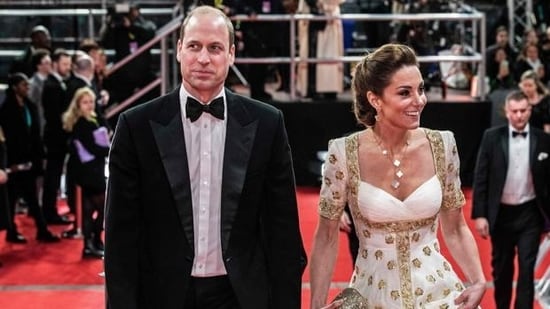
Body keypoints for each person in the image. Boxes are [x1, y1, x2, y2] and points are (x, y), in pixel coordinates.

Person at [104, 5, 306, 308]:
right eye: (195, 46)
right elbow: (120, 236)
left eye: (215, 48)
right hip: (161, 295)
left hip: (241, 295)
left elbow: (283, 229)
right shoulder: (136, 126)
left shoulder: (267, 123)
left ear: (232, 54)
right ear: (179, 50)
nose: (203, 58)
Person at [309, 43, 486, 309]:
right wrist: (316, 304)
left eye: (421, 89)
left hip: (440, 295)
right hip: (371, 296)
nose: (419, 100)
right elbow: (326, 237)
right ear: (375, 99)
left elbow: (456, 227)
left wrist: (478, 280)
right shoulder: (344, 152)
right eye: (405, 92)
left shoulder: (442, 145)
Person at [472, 90, 550, 309]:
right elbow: (481, 177)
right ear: (506, 112)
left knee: (527, 269)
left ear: (530, 110)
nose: (519, 116)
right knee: (502, 270)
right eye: (514, 111)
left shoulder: (543, 140)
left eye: (523, 110)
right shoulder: (491, 137)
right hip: (501, 215)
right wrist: (479, 214)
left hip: (530, 214)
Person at [0, 73, 60, 244]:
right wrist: (10, 165)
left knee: (32, 198)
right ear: (14, 87)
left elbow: (35, 134)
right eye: (23, 85)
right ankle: (15, 231)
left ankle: (41, 230)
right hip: (14, 163)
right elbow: (8, 140)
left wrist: (38, 156)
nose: (27, 87)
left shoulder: (30, 106)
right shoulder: (6, 110)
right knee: (11, 201)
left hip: (30, 160)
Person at [62, 87, 109, 259]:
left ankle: (93, 243)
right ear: (77, 105)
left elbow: (107, 128)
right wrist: (111, 150)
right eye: (85, 102)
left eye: (91, 102)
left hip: (93, 169)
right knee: (102, 208)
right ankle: (92, 242)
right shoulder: (81, 123)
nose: (89, 105)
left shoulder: (95, 118)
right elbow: (94, 148)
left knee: (91, 209)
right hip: (85, 171)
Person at [41, 48, 73, 226]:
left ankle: (50, 211)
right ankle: (49, 212)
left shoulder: (58, 83)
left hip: (56, 138)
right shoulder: (52, 85)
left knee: (54, 175)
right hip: (55, 138)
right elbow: (55, 116)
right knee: (52, 176)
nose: (67, 68)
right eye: (64, 64)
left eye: (69, 64)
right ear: (55, 64)